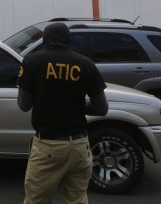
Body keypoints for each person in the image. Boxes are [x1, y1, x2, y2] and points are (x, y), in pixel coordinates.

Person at [17, 22, 108, 204]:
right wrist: (78, 105)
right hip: (80, 146)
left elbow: (24, 105)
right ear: (68, 40)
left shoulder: (32, 61)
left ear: (45, 39)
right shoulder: (86, 64)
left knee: (37, 200)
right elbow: (102, 109)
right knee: (77, 199)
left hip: (48, 146)